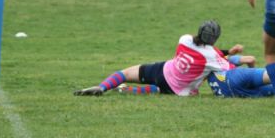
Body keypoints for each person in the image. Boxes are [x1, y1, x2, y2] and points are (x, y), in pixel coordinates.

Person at [74, 20, 240, 97]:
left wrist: (227, 51)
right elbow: (229, 68)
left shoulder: (185, 39)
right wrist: (238, 59)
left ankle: (102, 87)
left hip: (161, 70)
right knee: (160, 91)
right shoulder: (211, 56)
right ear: (215, 39)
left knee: (125, 73)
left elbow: (207, 51)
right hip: (177, 89)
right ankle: (128, 90)